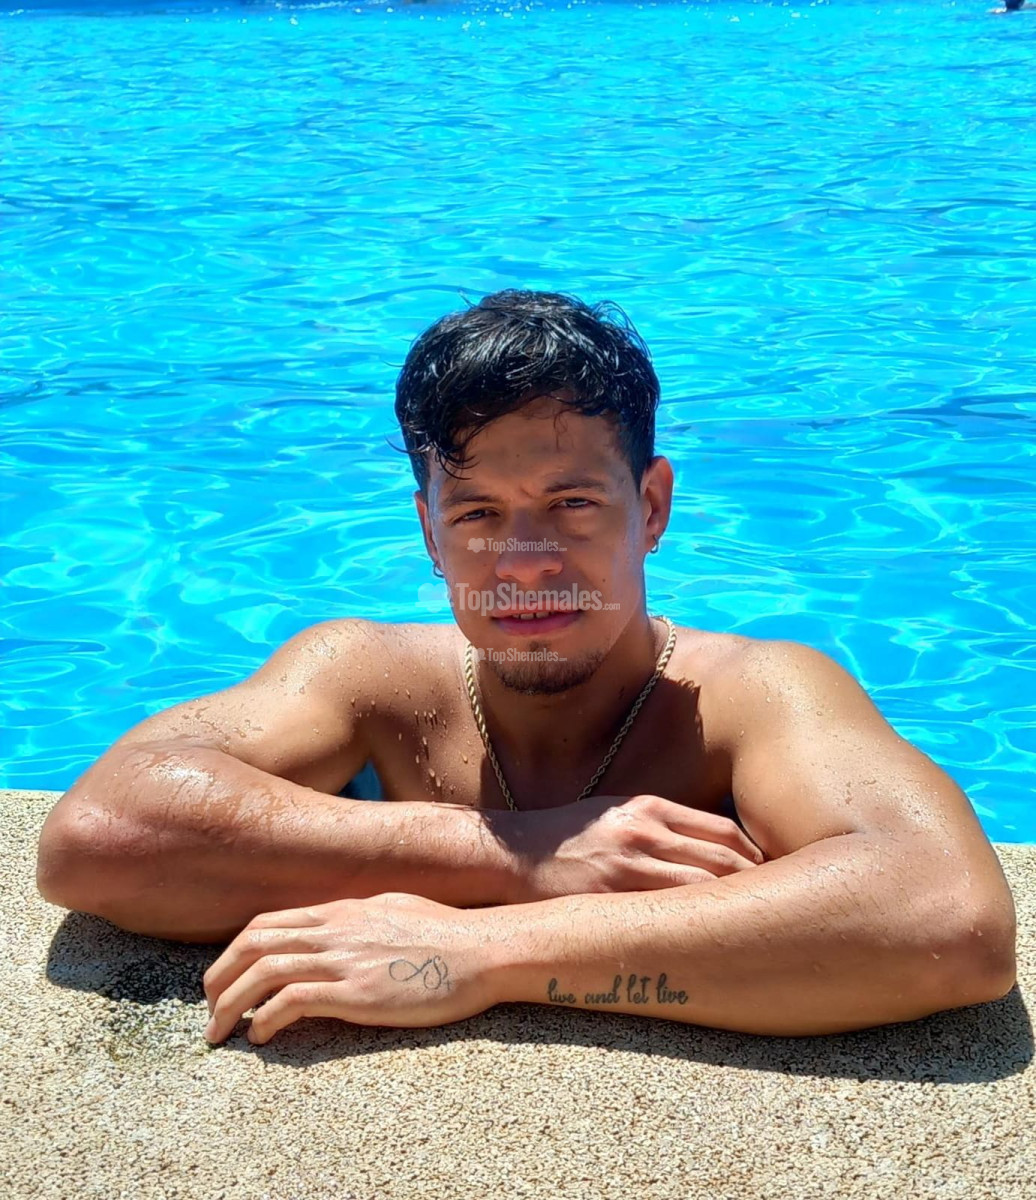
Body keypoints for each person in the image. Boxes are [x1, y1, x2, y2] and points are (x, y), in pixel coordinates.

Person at [36, 290, 1016, 1046]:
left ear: (652, 506)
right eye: (478, 515)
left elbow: (946, 914)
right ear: (430, 533)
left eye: (572, 504)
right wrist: (524, 854)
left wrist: (478, 951)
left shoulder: (753, 695)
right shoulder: (365, 674)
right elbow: (101, 835)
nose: (526, 562)